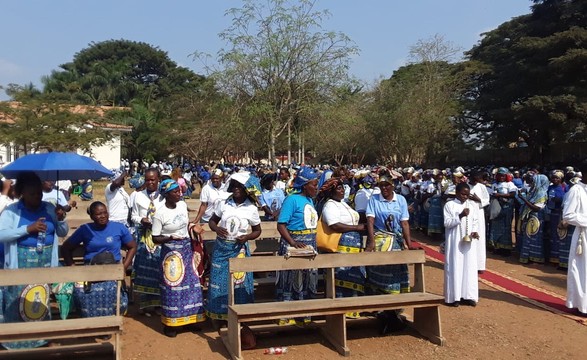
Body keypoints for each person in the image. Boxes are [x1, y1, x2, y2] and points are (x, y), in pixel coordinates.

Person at [0, 172, 68, 349]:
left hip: (44, 263)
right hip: (20, 264)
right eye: (33, 193)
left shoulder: (49, 208)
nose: (38, 196)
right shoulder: (12, 211)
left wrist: (60, 219)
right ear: (22, 192)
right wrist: (27, 229)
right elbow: (1, 234)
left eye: (39, 192)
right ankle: (16, 343)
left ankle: (41, 340)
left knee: (40, 301)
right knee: (18, 302)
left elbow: (62, 232)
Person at [61, 201, 137, 318]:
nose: (103, 216)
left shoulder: (119, 228)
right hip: (91, 272)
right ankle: (94, 321)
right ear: (91, 216)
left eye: (105, 213)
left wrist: (123, 268)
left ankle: (109, 321)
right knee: (84, 294)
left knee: (110, 291)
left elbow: (132, 246)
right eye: (98, 214)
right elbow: (66, 248)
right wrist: (72, 267)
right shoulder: (85, 229)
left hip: (112, 271)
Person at [206, 173, 262, 330]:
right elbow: (212, 221)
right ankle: (220, 317)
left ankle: (240, 316)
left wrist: (247, 237)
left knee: (239, 284)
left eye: (240, 186)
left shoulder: (251, 208)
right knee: (219, 282)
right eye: (234, 186)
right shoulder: (224, 203)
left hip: (239, 249)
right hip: (221, 248)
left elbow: (258, 230)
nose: (236, 189)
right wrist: (217, 229)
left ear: (246, 190)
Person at [152, 179, 206, 337]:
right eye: (175, 192)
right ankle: (171, 324)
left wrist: (192, 227)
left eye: (179, 191)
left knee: (192, 285)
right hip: (171, 253)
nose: (179, 194)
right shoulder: (160, 213)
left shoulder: (182, 205)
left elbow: (185, 222)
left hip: (187, 249)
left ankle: (191, 320)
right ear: (166, 194)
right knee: (173, 287)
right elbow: (155, 238)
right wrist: (170, 238)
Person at [365, 172, 418, 334]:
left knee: (396, 276)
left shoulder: (400, 200)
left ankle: (393, 313)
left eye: (387, 185)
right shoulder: (374, 200)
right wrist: (372, 241)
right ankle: (385, 312)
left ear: (392, 185)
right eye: (381, 186)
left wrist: (409, 244)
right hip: (381, 241)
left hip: (396, 241)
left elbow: (404, 223)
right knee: (379, 276)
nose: (384, 188)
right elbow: (370, 220)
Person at [276, 166, 319, 326]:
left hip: (309, 245)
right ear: (305, 185)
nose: (316, 188)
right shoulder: (292, 199)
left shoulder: (310, 200)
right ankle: (287, 314)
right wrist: (293, 242)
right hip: (294, 245)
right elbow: (281, 225)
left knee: (308, 279)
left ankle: (304, 313)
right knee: (291, 279)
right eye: (314, 185)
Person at [318, 177, 365, 317]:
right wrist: (357, 227)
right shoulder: (330, 205)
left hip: (353, 245)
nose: (342, 191)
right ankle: (340, 311)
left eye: (343, 188)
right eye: (339, 189)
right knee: (342, 277)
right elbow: (334, 225)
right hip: (341, 246)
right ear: (331, 192)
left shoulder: (343, 204)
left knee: (354, 276)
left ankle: (353, 309)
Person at [130, 168, 165, 313]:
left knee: (159, 269)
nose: (150, 182)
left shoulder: (163, 197)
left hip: (160, 237)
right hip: (144, 236)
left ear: (158, 180)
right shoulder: (138, 196)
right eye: (147, 180)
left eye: (153, 180)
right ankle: (146, 305)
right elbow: (133, 216)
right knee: (145, 270)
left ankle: (159, 304)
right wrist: (141, 220)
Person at [443, 183, 480, 307]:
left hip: (468, 242)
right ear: (457, 193)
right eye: (463, 194)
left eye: (467, 194)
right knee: (455, 266)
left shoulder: (472, 206)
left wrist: (474, 232)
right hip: (454, 241)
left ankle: (468, 295)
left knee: (469, 267)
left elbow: (475, 222)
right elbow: (447, 223)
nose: (465, 197)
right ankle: (454, 297)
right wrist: (461, 215)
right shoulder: (449, 205)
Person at [562, 177, 587, 316]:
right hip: (583, 236)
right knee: (582, 270)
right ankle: (582, 305)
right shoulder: (576, 190)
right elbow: (568, 215)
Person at [518, 174, 549, 264]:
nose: (533, 181)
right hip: (529, 216)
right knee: (527, 237)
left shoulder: (541, 193)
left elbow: (536, 208)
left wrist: (523, 199)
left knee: (535, 238)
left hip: (537, 218)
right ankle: (526, 256)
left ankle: (535, 258)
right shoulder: (533, 191)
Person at [488, 167, 517, 255]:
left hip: (506, 209)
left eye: (503, 176)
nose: (501, 177)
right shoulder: (494, 184)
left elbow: (512, 194)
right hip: (497, 208)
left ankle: (506, 249)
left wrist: (499, 194)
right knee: (496, 228)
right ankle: (498, 247)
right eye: (500, 175)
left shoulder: (510, 184)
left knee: (506, 228)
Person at [469, 171, 490, 273]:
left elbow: (487, 200)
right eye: (474, 180)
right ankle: (469, 264)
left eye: (477, 180)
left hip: (479, 213)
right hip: (468, 214)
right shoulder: (465, 186)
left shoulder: (482, 187)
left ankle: (480, 265)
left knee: (479, 239)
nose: (475, 182)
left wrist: (478, 199)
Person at [546, 170, 566, 264]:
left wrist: (558, 200)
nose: (555, 179)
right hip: (549, 212)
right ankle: (551, 255)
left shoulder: (563, 188)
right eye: (553, 177)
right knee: (550, 233)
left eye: (557, 178)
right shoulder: (549, 187)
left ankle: (557, 257)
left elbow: (564, 200)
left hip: (557, 214)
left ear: (561, 179)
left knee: (557, 234)